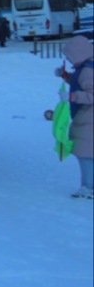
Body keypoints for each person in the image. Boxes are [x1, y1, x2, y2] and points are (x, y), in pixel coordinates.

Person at [56, 35, 93, 199]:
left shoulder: (88, 71)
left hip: (89, 120)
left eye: (70, 57)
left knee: (86, 155)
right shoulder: (86, 67)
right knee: (87, 155)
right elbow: (79, 82)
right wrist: (65, 76)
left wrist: (72, 97)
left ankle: (88, 188)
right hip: (86, 119)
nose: (69, 60)